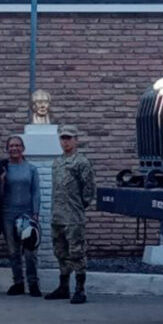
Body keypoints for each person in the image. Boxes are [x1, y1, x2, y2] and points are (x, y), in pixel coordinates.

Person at [45, 124, 96, 304]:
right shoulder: (57, 162)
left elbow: (89, 190)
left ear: (76, 140)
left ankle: (80, 290)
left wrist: (79, 206)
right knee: (61, 252)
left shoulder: (81, 162)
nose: (65, 142)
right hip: (58, 216)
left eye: (69, 138)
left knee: (77, 253)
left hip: (73, 217)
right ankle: (63, 287)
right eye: (63, 138)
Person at [0, 135, 42, 297]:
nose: (14, 148)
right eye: (11, 146)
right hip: (8, 214)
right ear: (7, 149)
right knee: (13, 251)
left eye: (17, 145)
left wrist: (35, 213)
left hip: (28, 215)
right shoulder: (3, 168)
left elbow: (35, 192)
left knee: (30, 252)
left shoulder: (31, 169)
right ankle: (18, 283)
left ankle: (33, 283)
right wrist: (2, 181)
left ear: (23, 148)